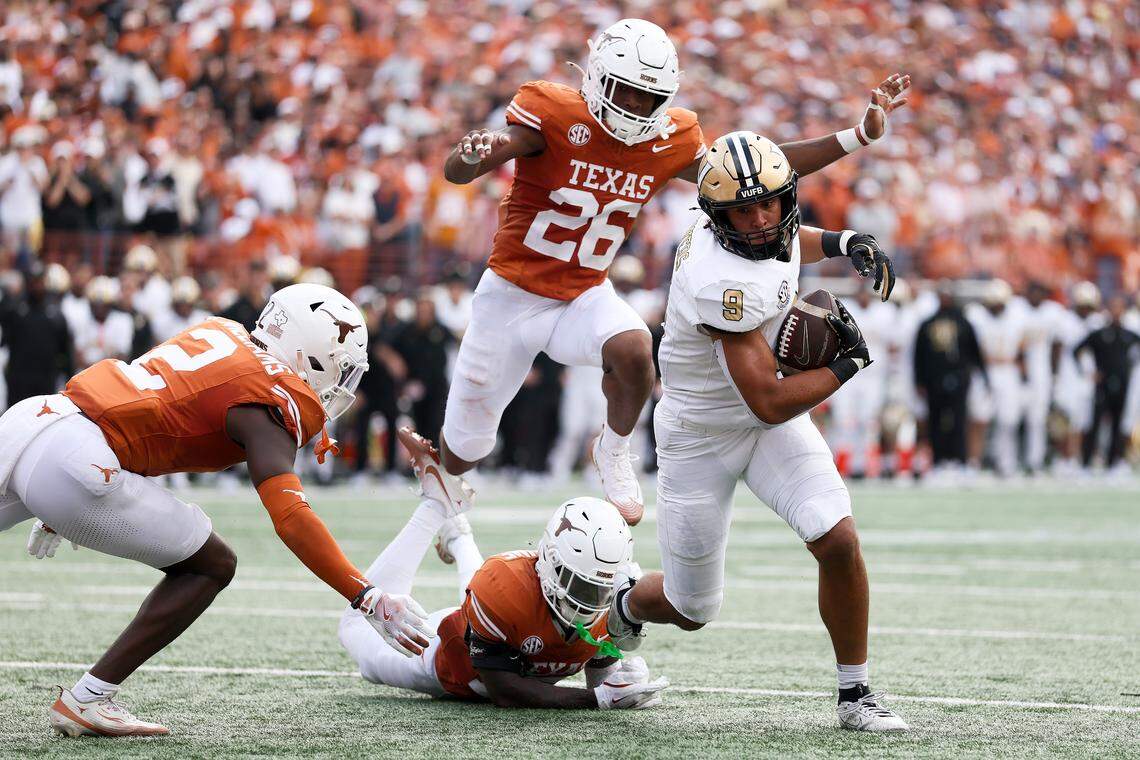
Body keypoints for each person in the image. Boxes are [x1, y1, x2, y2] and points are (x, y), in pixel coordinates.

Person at [440, 18, 910, 524]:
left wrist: (858, 136)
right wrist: (472, 156)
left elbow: (758, 168)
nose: (636, 109)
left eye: (649, 97)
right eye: (627, 92)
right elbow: (464, 166)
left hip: (582, 292)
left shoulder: (670, 137)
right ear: (597, 77)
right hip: (510, 295)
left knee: (634, 347)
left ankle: (613, 450)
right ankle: (440, 500)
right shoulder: (553, 112)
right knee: (466, 447)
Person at [0, 283, 431, 737]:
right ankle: (87, 700)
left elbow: (144, 410)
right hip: (77, 464)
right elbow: (291, 517)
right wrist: (366, 596)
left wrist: (53, 501)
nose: (338, 383)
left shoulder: (221, 331)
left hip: (37, 419)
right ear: (311, 351)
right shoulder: (271, 399)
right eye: (339, 369)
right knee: (212, 565)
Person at [603, 132, 906, 731]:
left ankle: (856, 693)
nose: (762, 219)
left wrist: (845, 242)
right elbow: (767, 399)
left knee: (838, 541)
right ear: (718, 215)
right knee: (691, 609)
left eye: (770, 202)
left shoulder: (759, 219)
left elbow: (792, 242)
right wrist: (846, 362)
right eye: (744, 210)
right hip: (701, 434)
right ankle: (622, 605)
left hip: (766, 424)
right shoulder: (720, 278)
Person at [340, 429, 668, 710]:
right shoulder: (504, 587)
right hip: (450, 665)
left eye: (600, 589)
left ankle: (458, 535)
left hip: (498, 629)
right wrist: (596, 699)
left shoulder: (612, 600)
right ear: (551, 562)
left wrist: (623, 683)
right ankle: (436, 506)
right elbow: (503, 690)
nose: (591, 601)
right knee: (355, 631)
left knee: (497, 606)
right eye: (580, 584)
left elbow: (601, 680)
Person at [913, 282, 986, 472]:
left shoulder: (963, 322)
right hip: (934, 380)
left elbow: (974, 351)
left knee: (959, 421)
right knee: (936, 421)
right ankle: (938, 460)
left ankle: (960, 460)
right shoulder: (927, 324)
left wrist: (981, 376)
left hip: (960, 378)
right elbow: (919, 355)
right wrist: (919, 381)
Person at [1074, 295, 1140, 471]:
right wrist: (1087, 372)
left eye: (1120, 307)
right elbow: (1077, 350)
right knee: (1094, 424)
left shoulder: (1129, 335)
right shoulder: (1099, 335)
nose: (1116, 311)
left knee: (1118, 424)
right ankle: (1086, 464)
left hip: (1123, 385)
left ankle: (1113, 464)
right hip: (1101, 386)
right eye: (1113, 307)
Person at [0, 263, 73, 406]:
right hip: (19, 378)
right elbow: (4, 340)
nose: (37, 285)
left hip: (45, 378)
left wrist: (68, 376)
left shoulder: (56, 314)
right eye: (33, 281)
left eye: (40, 281)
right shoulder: (14, 310)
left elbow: (65, 350)